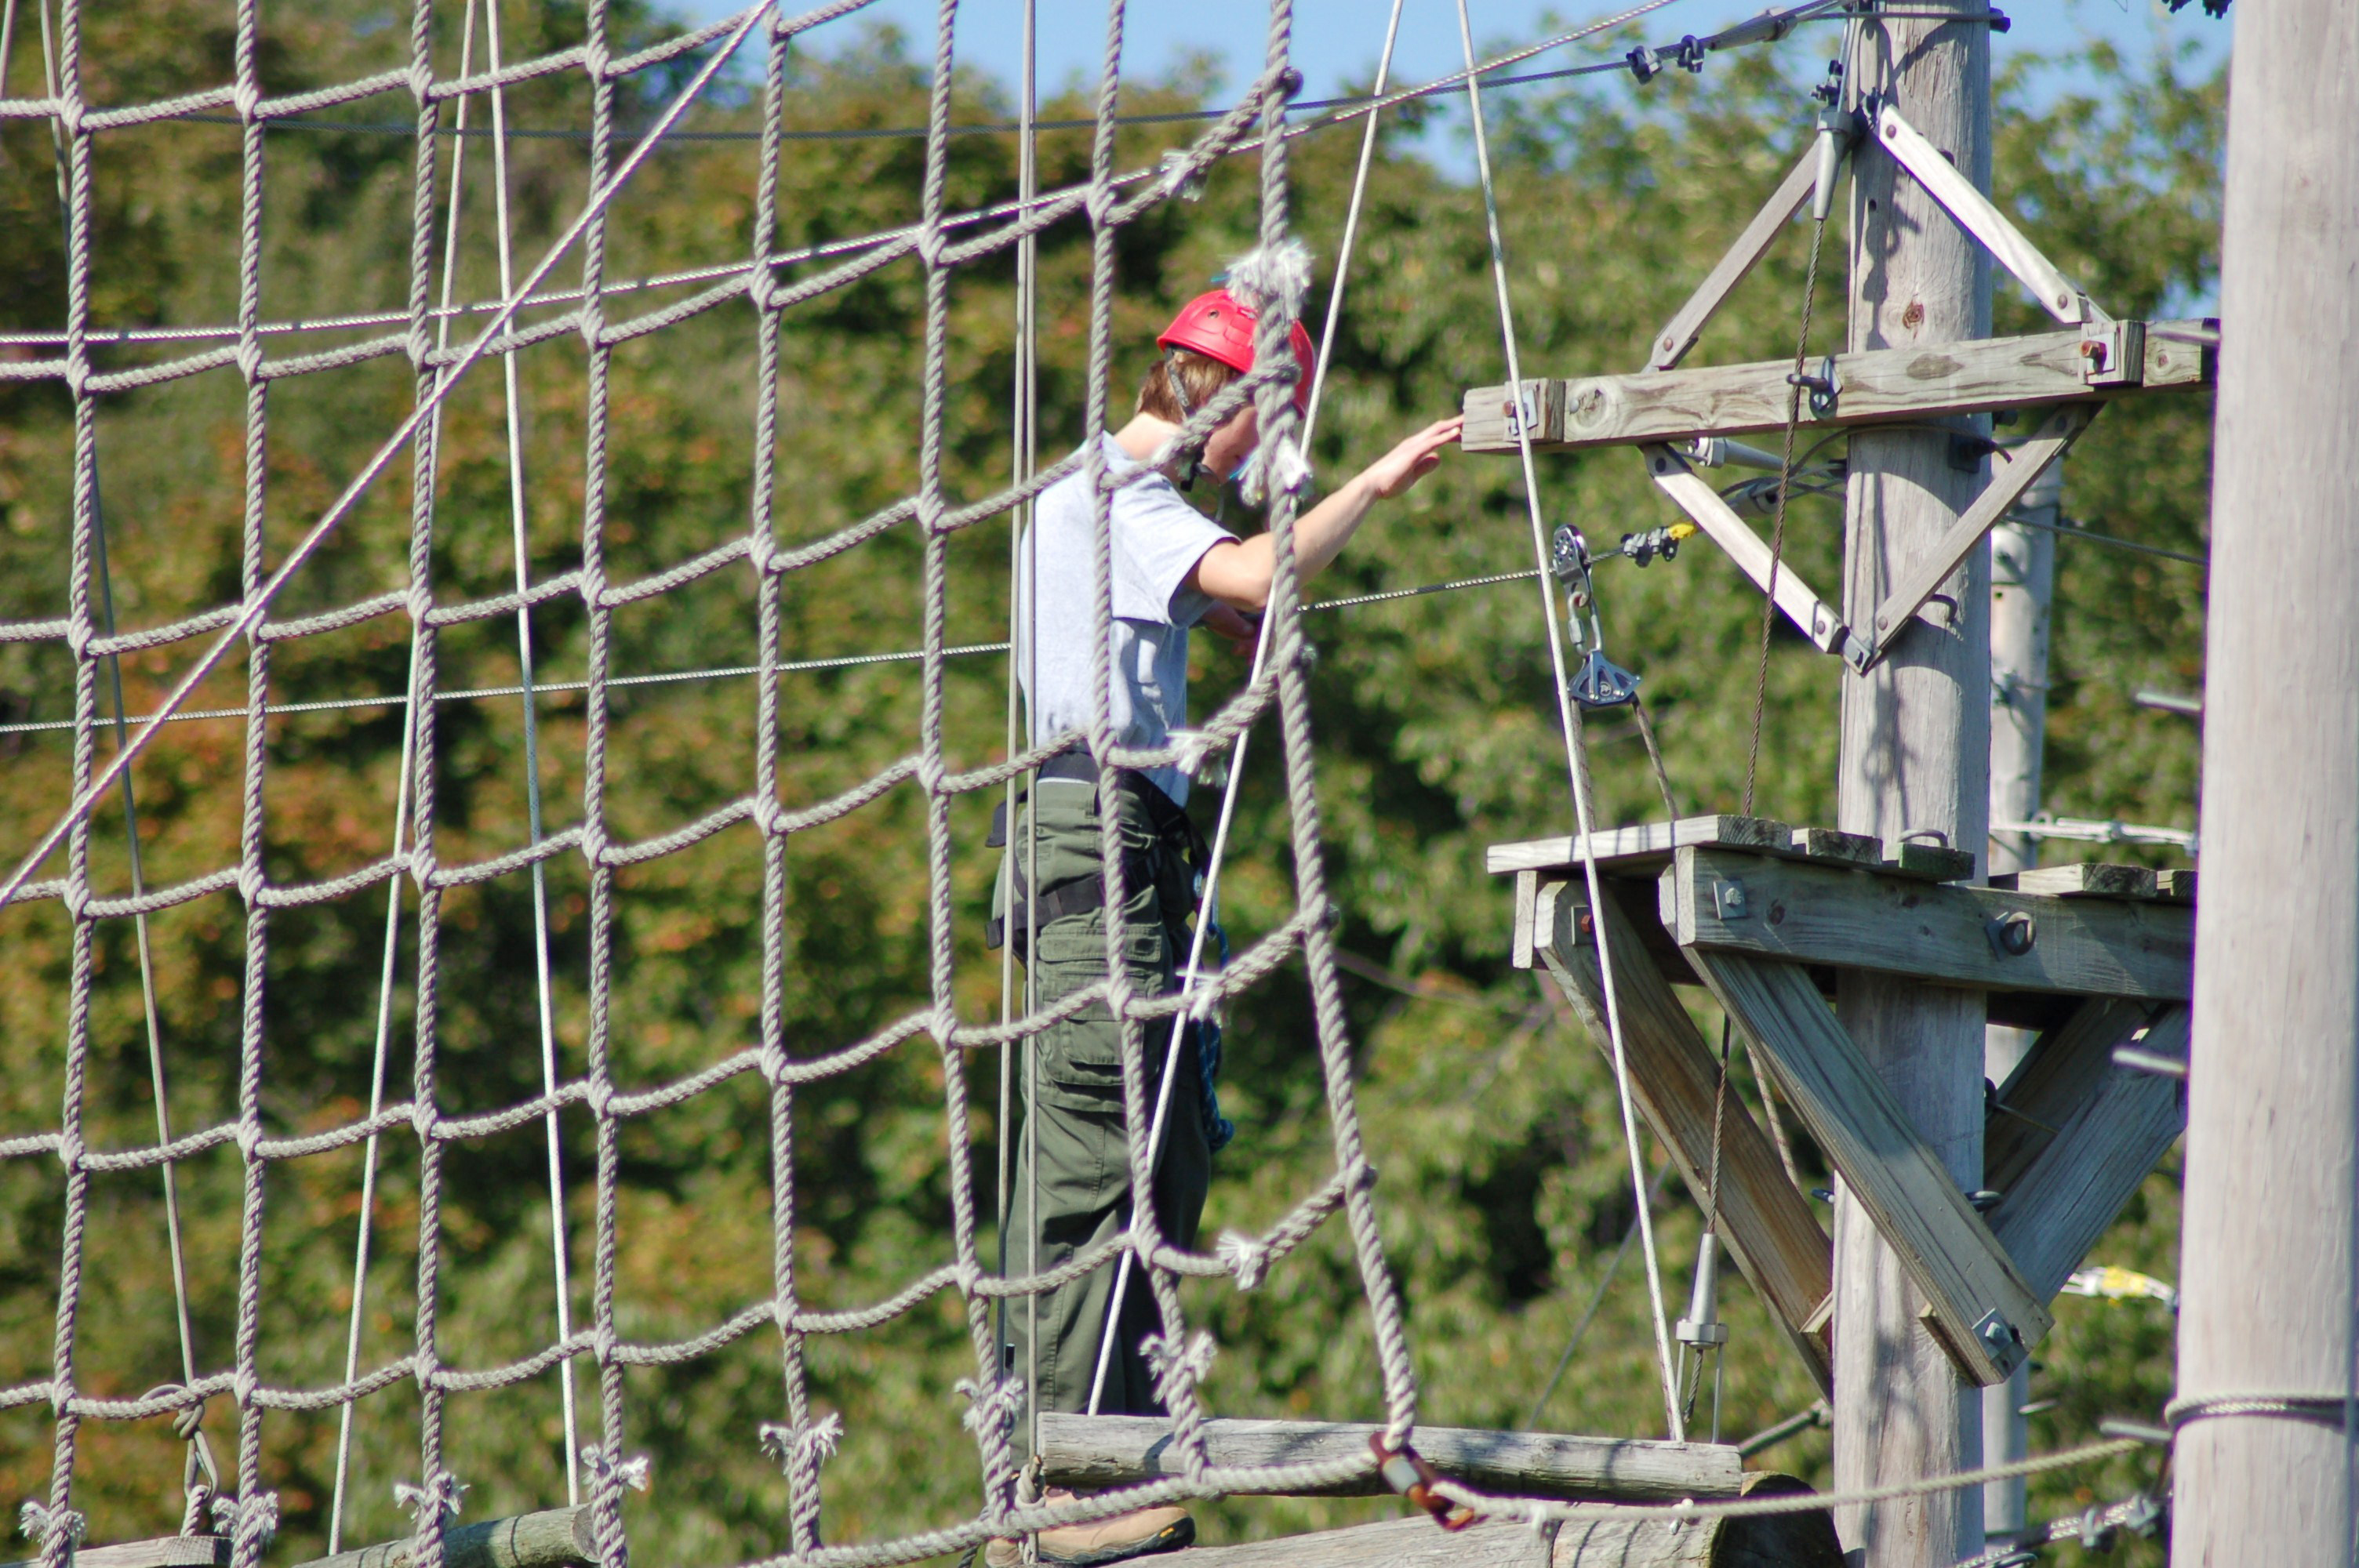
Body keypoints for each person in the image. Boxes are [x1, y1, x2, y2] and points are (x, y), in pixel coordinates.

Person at [990, 244, 1459, 1567]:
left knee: (1162, 1144)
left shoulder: (1111, 506)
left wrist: (1224, 620)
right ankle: (1063, 1483)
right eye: (1269, 421)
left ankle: (1093, 1460)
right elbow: (1256, 572)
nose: (1268, 456)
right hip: (1105, 848)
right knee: (1104, 1160)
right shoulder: (1117, 492)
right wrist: (1374, 484)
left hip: (1121, 851)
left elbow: (1195, 606)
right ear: (1222, 398)